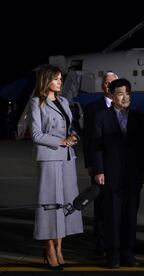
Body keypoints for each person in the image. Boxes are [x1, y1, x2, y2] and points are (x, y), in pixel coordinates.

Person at [29, 64, 83, 270]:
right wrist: (62, 141)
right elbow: (36, 135)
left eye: (61, 78)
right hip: (50, 159)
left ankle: (59, 248)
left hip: (68, 158)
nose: (61, 81)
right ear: (46, 81)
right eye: (57, 78)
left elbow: (69, 127)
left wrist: (73, 137)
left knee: (65, 204)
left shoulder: (64, 101)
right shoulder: (37, 103)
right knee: (50, 204)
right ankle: (49, 249)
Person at [92, 78, 144, 268]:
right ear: (112, 96)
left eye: (128, 93)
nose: (125, 97)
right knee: (112, 217)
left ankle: (128, 254)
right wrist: (99, 170)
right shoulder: (102, 116)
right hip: (110, 174)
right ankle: (113, 255)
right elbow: (96, 146)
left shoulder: (139, 117)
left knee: (130, 216)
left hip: (133, 176)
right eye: (121, 93)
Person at [82, 71, 118, 257]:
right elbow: (88, 140)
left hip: (121, 167)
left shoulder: (125, 105)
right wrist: (91, 164)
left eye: (112, 82)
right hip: (100, 166)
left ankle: (120, 242)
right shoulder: (92, 108)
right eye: (105, 82)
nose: (108, 85)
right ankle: (101, 244)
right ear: (102, 86)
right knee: (101, 206)